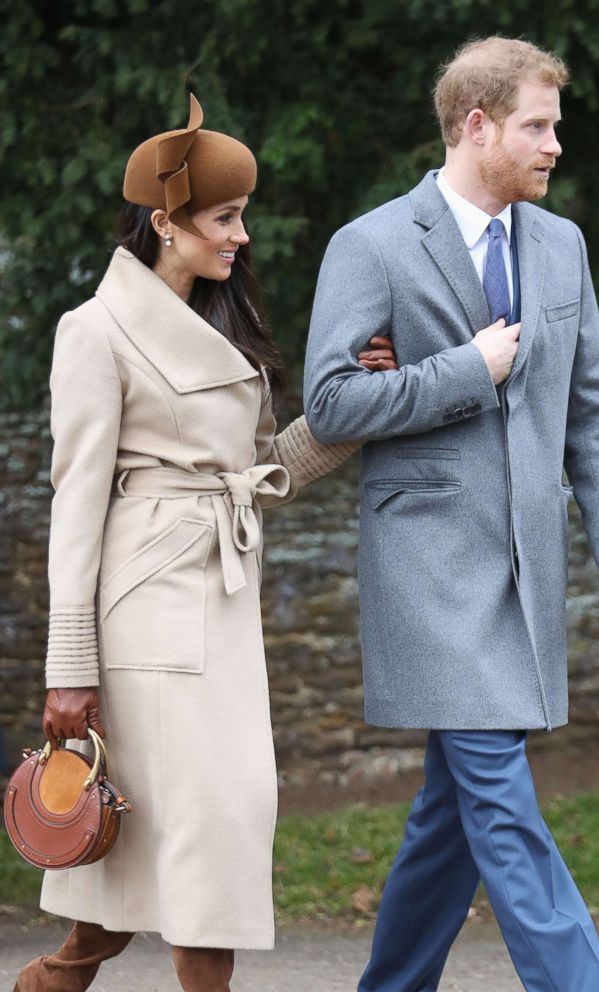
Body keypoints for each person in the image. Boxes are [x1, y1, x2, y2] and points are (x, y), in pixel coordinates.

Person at [12, 94, 397, 992]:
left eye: (241, 216)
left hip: (221, 604)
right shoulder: (93, 332)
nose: (242, 236)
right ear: (164, 222)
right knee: (203, 838)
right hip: (146, 613)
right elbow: (75, 503)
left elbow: (264, 475)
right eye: (224, 217)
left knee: (184, 836)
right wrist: (68, 667)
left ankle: (58, 976)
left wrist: (359, 413)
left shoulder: (223, 325)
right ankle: (70, 971)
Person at [303, 36, 599, 992]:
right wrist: (467, 370)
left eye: (555, 127)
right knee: (499, 802)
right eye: (537, 126)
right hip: (429, 576)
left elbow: (594, 416)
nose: (553, 146)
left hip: (523, 576)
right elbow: (329, 404)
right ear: (477, 125)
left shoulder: (562, 245)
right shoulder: (370, 244)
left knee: (449, 815)